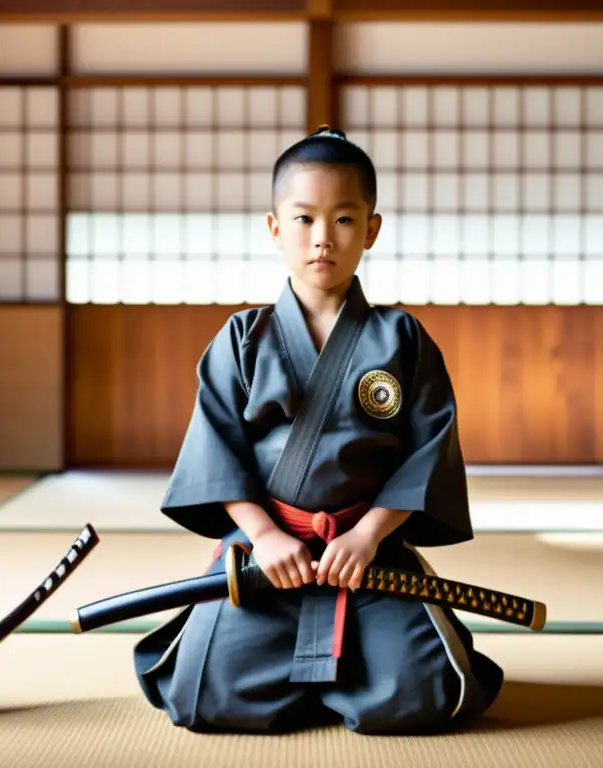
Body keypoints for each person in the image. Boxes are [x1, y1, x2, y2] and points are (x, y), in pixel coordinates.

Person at [133, 126, 504, 735]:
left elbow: (427, 453)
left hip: (366, 557)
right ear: (275, 227)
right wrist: (262, 535)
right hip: (265, 556)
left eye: (345, 220)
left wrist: (367, 535)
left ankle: (354, 659)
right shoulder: (242, 338)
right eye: (304, 219)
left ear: (372, 230)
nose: (323, 238)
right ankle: (327, 670)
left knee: (424, 696)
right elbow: (215, 449)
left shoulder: (401, 340)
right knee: (206, 699)